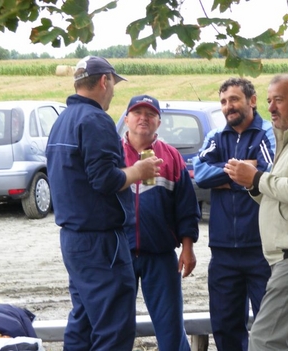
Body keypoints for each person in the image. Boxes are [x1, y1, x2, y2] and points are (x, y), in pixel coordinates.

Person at [46, 56, 163, 351]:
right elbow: (104, 179)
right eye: (113, 84)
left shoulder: (62, 120)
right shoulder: (96, 119)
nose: (113, 92)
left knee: (83, 321)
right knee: (113, 327)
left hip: (73, 240)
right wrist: (139, 171)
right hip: (101, 243)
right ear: (103, 81)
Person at [192, 77, 275, 351]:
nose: (229, 107)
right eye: (224, 102)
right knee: (225, 327)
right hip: (223, 250)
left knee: (268, 327)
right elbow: (200, 173)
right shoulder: (216, 137)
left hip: (260, 250)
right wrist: (240, 173)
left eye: (235, 100)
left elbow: (270, 172)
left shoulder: (266, 134)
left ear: (252, 101)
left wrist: (247, 174)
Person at [224, 74, 288, 350]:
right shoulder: (286, 141)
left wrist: (257, 179)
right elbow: (279, 198)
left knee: (264, 341)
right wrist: (253, 186)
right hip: (279, 260)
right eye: (269, 101)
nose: (271, 108)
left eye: (278, 100)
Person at [121, 94, 200, 351]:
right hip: (119, 254)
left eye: (150, 114)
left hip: (161, 255)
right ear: (127, 119)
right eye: (137, 113)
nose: (143, 118)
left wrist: (187, 247)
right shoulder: (112, 154)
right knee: (116, 325)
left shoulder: (172, 157)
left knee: (171, 328)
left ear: (159, 122)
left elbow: (186, 207)